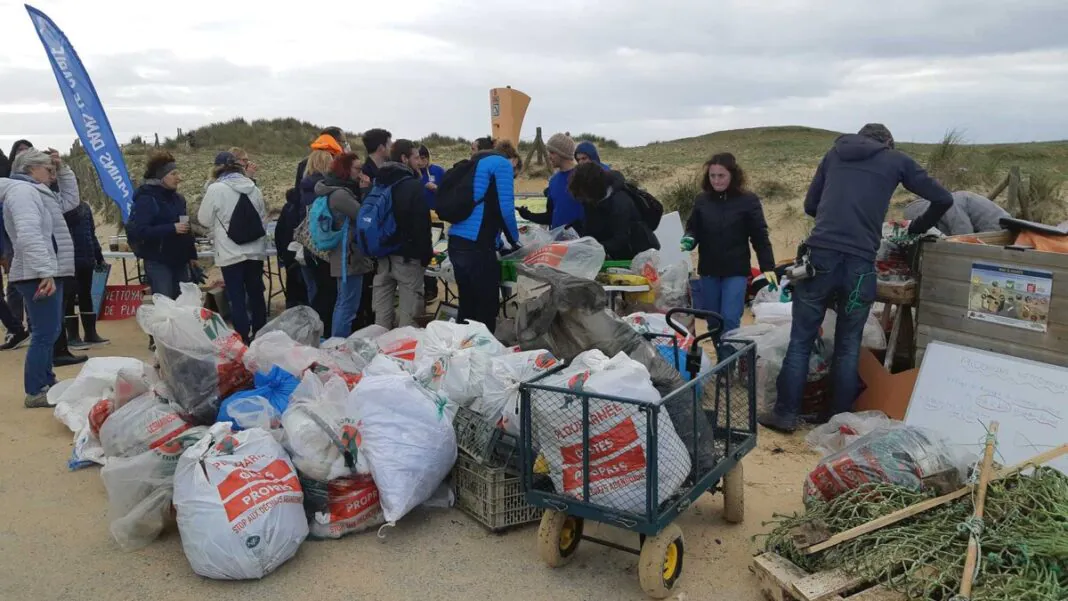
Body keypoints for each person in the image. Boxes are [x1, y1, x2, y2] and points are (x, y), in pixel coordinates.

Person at [762, 123, 954, 433]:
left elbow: (810, 205)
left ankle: (785, 415)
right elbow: (944, 198)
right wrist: (918, 226)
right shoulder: (896, 160)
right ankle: (838, 420)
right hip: (860, 265)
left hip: (819, 258)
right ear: (888, 143)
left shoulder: (834, 154)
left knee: (800, 340)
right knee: (848, 345)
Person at [0, 149, 78, 406]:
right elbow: (28, 233)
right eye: (48, 169)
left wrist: (62, 167)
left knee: (51, 330)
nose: (52, 175)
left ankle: (46, 381)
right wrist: (45, 271)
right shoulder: (23, 193)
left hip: (42, 270)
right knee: (45, 332)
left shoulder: (35, 191)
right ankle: (36, 390)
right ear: (32, 169)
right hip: (36, 273)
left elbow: (70, 201)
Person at [681, 153, 776, 334]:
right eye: (712, 176)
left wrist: (768, 267)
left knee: (730, 319)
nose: (716, 181)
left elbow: (760, 237)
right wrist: (689, 239)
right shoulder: (702, 200)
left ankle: (729, 360)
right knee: (713, 321)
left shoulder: (748, 201)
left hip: (736, 270)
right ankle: (724, 359)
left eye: (721, 175)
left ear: (733, 175)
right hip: (709, 270)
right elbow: (694, 229)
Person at [447, 141, 522, 333]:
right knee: (486, 307)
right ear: (512, 160)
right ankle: (482, 355)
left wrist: (498, 242)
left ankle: (462, 352)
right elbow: (505, 210)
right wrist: (516, 242)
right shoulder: (502, 164)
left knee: (467, 304)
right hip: (477, 247)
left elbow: (486, 210)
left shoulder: (476, 165)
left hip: (456, 242)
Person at [198, 152, 269, 344]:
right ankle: (260, 335)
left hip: (230, 252)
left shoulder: (216, 189)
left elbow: (203, 219)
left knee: (236, 297)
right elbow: (263, 216)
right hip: (254, 250)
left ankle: (242, 337)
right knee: (256, 294)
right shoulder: (253, 187)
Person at [370, 140, 432, 329]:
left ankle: (379, 351)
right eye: (415, 157)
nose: (419, 162)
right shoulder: (412, 185)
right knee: (409, 316)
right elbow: (421, 224)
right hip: (407, 256)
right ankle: (405, 354)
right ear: (404, 159)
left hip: (382, 255)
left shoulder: (379, 181)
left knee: (381, 316)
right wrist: (425, 255)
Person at [313, 152, 374, 337]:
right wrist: (365, 191)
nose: (361, 173)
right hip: (348, 255)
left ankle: (337, 343)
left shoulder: (335, 189)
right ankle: (339, 345)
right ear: (345, 170)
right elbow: (364, 217)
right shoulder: (340, 194)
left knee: (344, 301)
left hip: (343, 254)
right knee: (347, 305)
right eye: (357, 169)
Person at [126, 151, 198, 300]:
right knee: (165, 306)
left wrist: (192, 255)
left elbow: (186, 227)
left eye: (178, 173)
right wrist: (172, 228)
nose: (179, 178)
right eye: (174, 174)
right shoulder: (146, 199)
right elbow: (140, 230)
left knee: (185, 304)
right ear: (160, 177)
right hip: (158, 261)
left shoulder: (179, 199)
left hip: (181, 260)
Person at [568, 162, 660, 261]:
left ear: (593, 188)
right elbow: (592, 229)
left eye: (583, 194)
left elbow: (621, 239)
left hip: (636, 254)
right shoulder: (592, 200)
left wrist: (596, 248)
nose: (583, 198)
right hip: (612, 255)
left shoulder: (620, 203)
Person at [297, 146, 341, 333]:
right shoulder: (323, 189)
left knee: (317, 291)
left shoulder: (304, 185)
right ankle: (327, 331)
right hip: (323, 248)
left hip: (309, 247)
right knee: (329, 293)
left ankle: (316, 331)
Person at [63, 201, 108, 348]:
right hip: (68, 260)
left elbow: (91, 234)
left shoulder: (85, 207)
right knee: (69, 297)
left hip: (87, 259)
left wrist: (98, 256)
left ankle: (90, 333)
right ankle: (72, 336)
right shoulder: (59, 206)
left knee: (86, 295)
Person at [517, 133, 584, 229]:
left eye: (552, 152)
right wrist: (529, 215)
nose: (548, 156)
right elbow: (550, 217)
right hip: (557, 241)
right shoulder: (553, 181)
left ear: (563, 153)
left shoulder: (583, 177)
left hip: (579, 241)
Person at [903, 191, 1009, 236]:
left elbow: (964, 236)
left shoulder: (949, 206)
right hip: (995, 226)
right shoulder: (943, 204)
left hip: (999, 227)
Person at [274, 186, 308, 309]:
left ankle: (292, 306)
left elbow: (279, 232)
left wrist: (281, 254)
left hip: (289, 253)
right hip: (304, 253)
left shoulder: (287, 208)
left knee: (292, 282)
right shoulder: (306, 206)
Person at [416, 145, 446, 210]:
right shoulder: (412, 173)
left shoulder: (439, 170)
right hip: (419, 212)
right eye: (417, 158)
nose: (420, 162)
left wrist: (436, 188)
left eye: (423, 158)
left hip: (436, 212)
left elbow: (447, 192)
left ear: (428, 157)